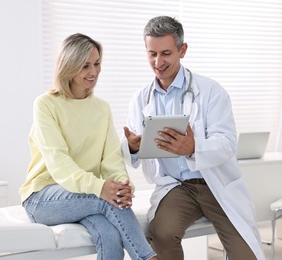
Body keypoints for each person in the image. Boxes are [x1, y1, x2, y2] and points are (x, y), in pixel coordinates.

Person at [122, 16, 266, 260]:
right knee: (162, 235)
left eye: (166, 53)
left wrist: (193, 147)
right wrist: (133, 147)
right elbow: (134, 150)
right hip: (177, 187)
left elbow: (227, 143)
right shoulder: (141, 99)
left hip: (215, 184)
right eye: (152, 53)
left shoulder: (211, 92)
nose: (158, 62)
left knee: (246, 254)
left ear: (182, 50)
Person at [19, 33, 157, 260]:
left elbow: (111, 159)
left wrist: (122, 186)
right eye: (85, 66)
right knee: (105, 200)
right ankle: (148, 257)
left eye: (97, 63)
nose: (93, 72)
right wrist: (102, 189)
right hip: (42, 197)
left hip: (86, 194)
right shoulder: (45, 104)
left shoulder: (102, 108)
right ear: (69, 67)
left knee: (110, 235)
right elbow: (59, 162)